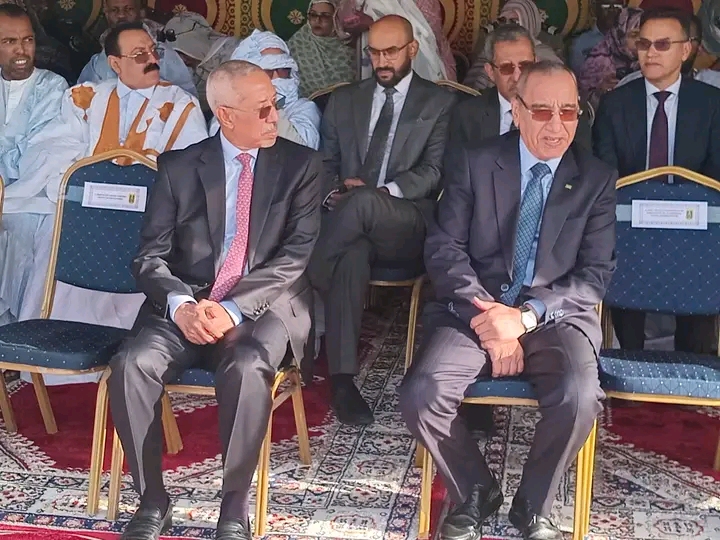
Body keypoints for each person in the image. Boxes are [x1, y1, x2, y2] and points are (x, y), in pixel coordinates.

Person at [400, 61, 616, 540]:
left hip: (553, 315)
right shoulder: (475, 161)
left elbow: (594, 275)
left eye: (568, 111)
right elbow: (445, 248)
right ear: (516, 111)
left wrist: (524, 317)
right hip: (474, 309)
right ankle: (475, 489)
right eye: (542, 111)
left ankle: (534, 505)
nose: (557, 125)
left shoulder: (595, 178)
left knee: (580, 396)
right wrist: (492, 319)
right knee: (422, 394)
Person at [108, 59, 321, 540]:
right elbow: (149, 257)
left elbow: (295, 256)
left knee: (246, 365)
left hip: (262, 305)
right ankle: (152, 500)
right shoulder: (179, 167)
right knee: (131, 364)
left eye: (275, 104)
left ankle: (233, 510)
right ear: (225, 114)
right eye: (263, 108)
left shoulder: (301, 166)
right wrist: (182, 306)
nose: (275, 116)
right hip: (187, 306)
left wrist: (230, 309)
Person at [309, 15, 455, 425]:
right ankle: (342, 383)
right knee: (351, 253)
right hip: (349, 224)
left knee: (363, 204)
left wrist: (381, 193)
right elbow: (325, 163)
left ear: (413, 49)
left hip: (406, 220)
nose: (381, 61)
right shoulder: (344, 100)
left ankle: (306, 277)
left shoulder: (439, 103)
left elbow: (434, 171)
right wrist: (335, 191)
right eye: (373, 52)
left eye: (390, 52)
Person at [15, 21, 208, 331]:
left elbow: (192, 165)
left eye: (153, 51)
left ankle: (133, 340)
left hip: (151, 211)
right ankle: (54, 336)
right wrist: (86, 175)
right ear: (115, 64)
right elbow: (52, 148)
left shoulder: (181, 105)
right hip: (87, 206)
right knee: (48, 228)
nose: (152, 59)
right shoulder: (86, 97)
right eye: (139, 55)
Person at [594, 8, 720, 353]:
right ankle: (626, 364)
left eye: (662, 44)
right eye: (644, 43)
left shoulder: (712, 105)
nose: (650, 52)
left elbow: (715, 178)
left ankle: (696, 367)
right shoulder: (614, 105)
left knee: (697, 333)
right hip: (631, 228)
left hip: (696, 232)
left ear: (686, 49)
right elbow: (606, 175)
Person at [0, 3, 68, 326]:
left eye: (27, 40)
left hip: (32, 197)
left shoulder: (54, 88)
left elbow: (40, 156)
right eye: (9, 42)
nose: (21, 50)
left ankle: (14, 331)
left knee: (26, 227)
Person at [449, 24, 592, 150]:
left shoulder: (568, 111)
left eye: (525, 66)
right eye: (506, 68)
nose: (517, 77)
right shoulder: (467, 115)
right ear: (490, 72)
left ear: (536, 64)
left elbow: (582, 166)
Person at [210, 30, 321, 150]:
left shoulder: (304, 108)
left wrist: (271, 106)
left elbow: (303, 149)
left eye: (283, 71)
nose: (277, 78)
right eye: (267, 73)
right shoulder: (227, 114)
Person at [78, 0, 197, 97]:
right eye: (114, 10)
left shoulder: (162, 52)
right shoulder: (99, 60)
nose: (121, 15)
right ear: (106, 13)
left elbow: (187, 99)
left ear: (141, 11)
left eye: (129, 9)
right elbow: (81, 101)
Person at [339, 0, 455, 81]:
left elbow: (429, 34)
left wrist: (374, 23)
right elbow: (343, 23)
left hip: (419, 62)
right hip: (370, 58)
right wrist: (354, 24)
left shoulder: (425, 3)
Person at [464, 0, 563, 92]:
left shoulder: (545, 56)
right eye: (503, 20)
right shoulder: (490, 49)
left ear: (529, 22)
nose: (508, 27)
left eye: (514, 22)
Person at [163, 11, 239, 113]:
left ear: (194, 41)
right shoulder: (188, 68)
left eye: (182, 52)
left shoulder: (236, 51)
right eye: (177, 54)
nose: (182, 59)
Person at [617, 13, 720, 88]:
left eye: (688, 40)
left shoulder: (713, 84)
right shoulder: (629, 85)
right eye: (663, 43)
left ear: (699, 46)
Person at [287, 0, 356, 97]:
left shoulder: (348, 48)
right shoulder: (297, 44)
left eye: (325, 16)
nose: (317, 20)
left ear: (335, 19)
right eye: (313, 15)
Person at [578, 7, 643, 109]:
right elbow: (581, 102)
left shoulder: (648, 60)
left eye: (644, 35)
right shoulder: (598, 62)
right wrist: (599, 92)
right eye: (634, 35)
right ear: (620, 35)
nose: (640, 40)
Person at [569, 0, 627, 75]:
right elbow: (577, 76)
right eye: (606, 6)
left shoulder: (629, 40)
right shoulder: (580, 43)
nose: (612, 10)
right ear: (594, 9)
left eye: (617, 6)